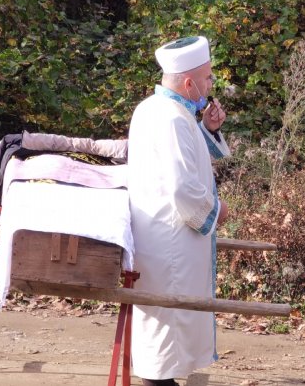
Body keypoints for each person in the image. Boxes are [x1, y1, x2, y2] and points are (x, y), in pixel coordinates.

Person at [128, 36, 230, 386]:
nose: (210, 85)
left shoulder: (156, 109)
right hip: (170, 238)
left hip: (160, 234)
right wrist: (217, 211)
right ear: (188, 83)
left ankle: (162, 377)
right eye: (207, 79)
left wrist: (208, 130)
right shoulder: (171, 118)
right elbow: (181, 187)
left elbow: (183, 159)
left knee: (167, 317)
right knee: (168, 320)